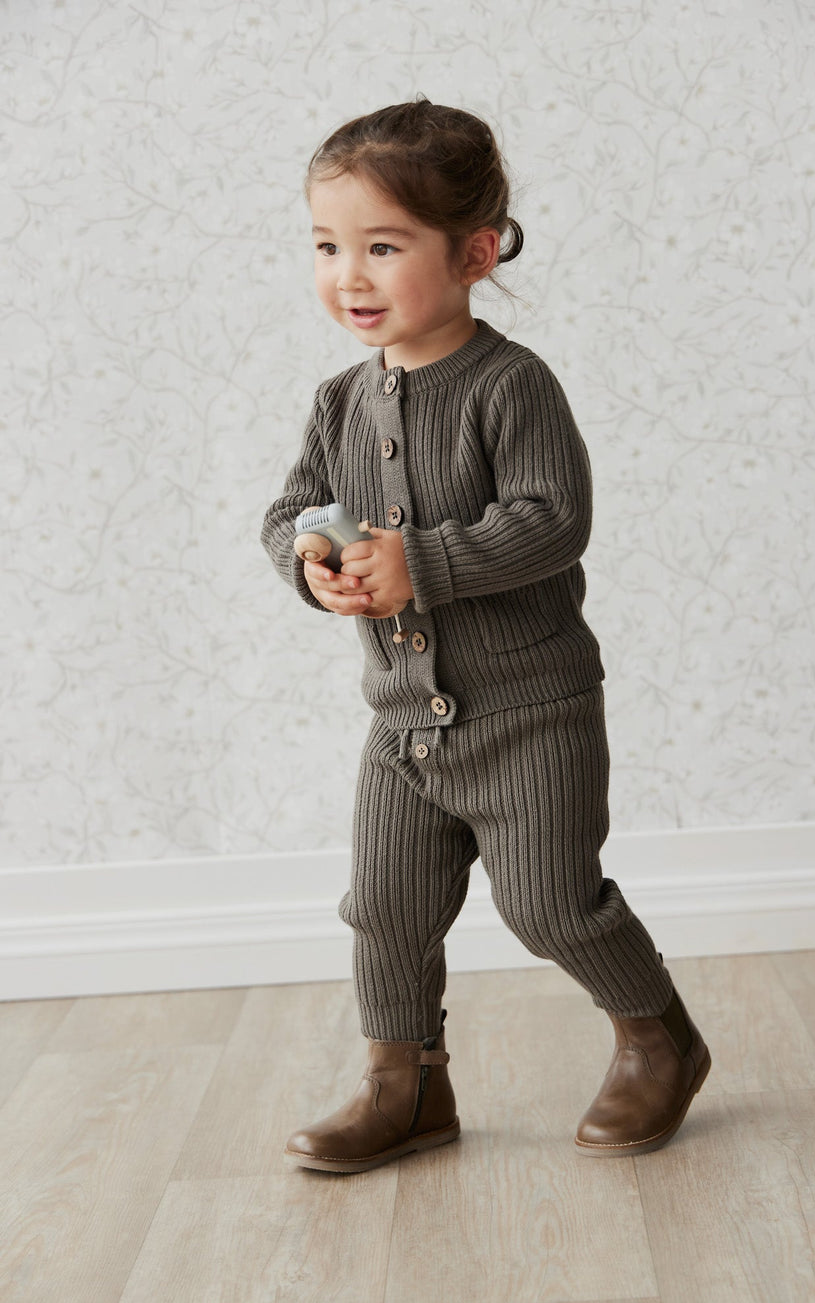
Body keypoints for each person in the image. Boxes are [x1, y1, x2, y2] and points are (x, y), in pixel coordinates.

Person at [261, 98, 710, 1173]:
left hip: (530, 710)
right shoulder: (338, 400)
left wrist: (421, 560)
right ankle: (406, 1084)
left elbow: (554, 518)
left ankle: (661, 1039)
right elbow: (295, 508)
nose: (349, 276)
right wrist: (312, 556)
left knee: (552, 904)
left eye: (382, 246)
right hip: (403, 725)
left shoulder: (511, 385)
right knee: (383, 908)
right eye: (326, 247)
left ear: (476, 251)